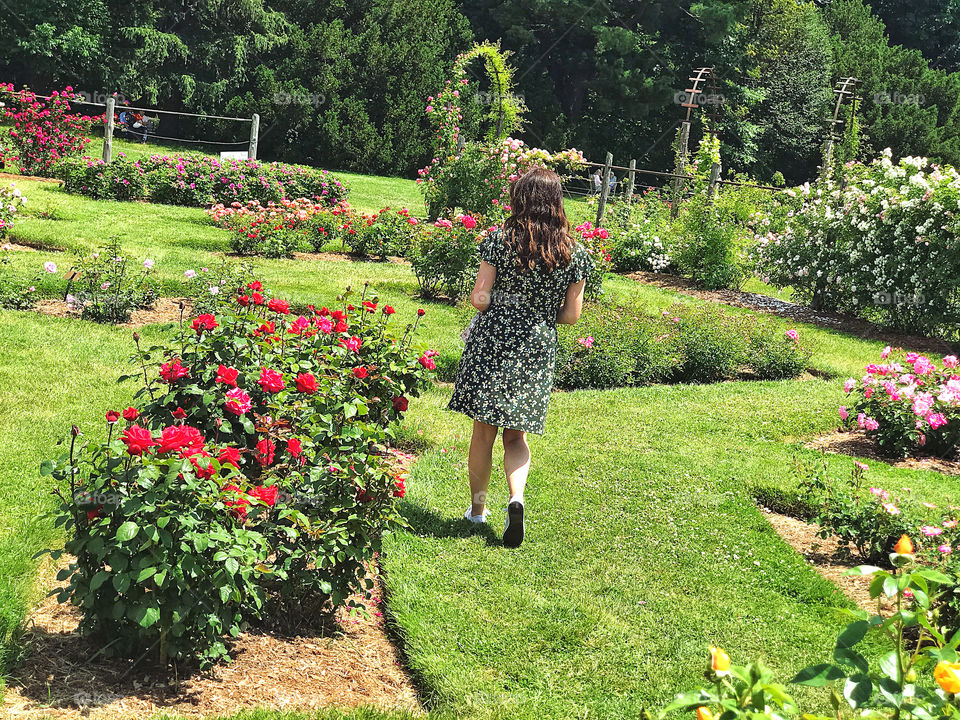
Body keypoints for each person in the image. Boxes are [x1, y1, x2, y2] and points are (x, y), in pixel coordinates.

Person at [448, 168, 593, 548]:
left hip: (492, 342)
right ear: (557, 202)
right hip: (536, 346)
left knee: (483, 433)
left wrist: (504, 303)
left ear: (521, 198)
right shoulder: (575, 253)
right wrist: (537, 311)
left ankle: (477, 510)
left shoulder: (500, 240)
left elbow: (480, 299)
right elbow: (571, 315)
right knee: (516, 435)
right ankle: (516, 498)